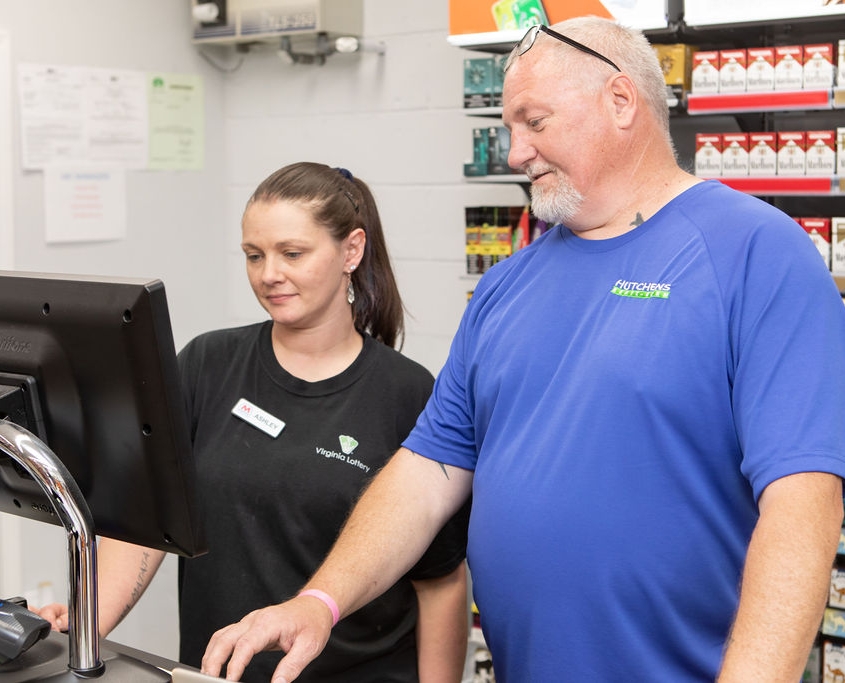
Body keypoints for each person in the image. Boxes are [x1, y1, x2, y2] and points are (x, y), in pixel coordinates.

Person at [199, 17, 845, 683]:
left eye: (533, 122)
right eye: (509, 128)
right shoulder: (510, 280)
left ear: (620, 101)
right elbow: (426, 471)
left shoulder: (754, 252)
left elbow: (803, 500)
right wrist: (321, 600)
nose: (514, 152)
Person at [36, 161, 470, 682]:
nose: (269, 274)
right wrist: (86, 624)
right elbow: (150, 527)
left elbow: (440, 582)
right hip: (219, 674)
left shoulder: (407, 392)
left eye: (292, 253)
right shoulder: (206, 363)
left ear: (351, 251)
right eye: (253, 255)